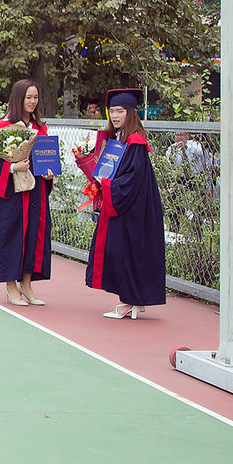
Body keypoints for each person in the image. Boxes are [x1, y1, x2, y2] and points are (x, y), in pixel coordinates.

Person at [81, 88, 166, 320]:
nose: (115, 116)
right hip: (129, 205)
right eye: (112, 111)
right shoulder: (120, 139)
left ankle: (130, 301)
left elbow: (130, 180)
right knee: (128, 252)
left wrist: (105, 183)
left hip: (134, 209)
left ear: (131, 113)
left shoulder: (135, 142)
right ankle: (134, 300)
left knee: (129, 252)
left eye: (120, 111)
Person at [0, 79, 53, 306]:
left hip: (35, 192)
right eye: (28, 97)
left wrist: (48, 174)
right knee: (11, 235)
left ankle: (26, 282)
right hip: (12, 194)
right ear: (18, 98)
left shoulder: (40, 128)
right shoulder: (2, 128)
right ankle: (10, 284)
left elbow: (45, 158)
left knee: (33, 234)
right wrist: (14, 167)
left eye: (36, 97)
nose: (33, 102)